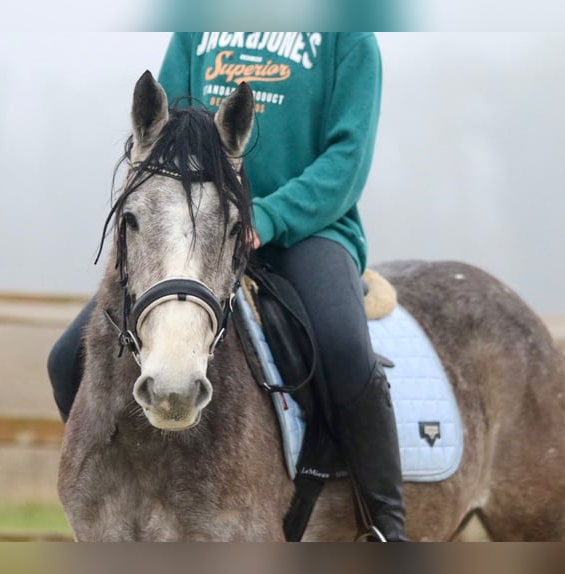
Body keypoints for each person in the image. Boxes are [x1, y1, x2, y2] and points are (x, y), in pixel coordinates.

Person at [48, 32, 406, 541]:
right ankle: (117, 485)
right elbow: (163, 136)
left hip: (306, 231)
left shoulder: (347, 38)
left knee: (345, 348)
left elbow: (347, 159)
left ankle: (384, 525)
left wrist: (268, 215)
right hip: (196, 230)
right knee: (66, 359)